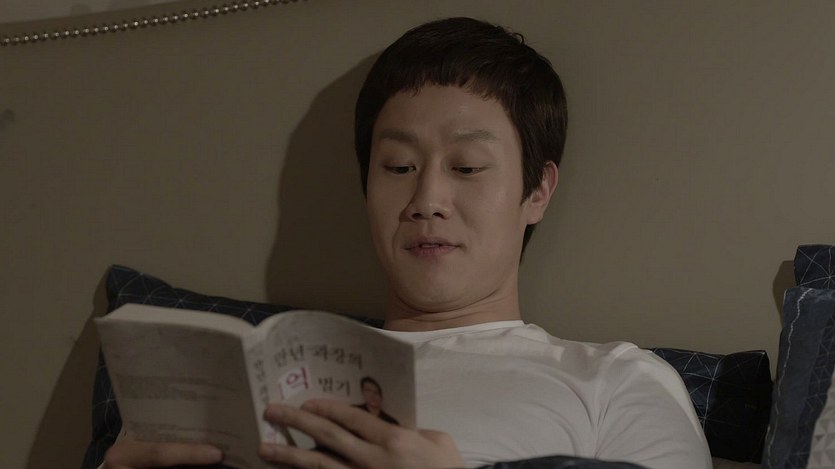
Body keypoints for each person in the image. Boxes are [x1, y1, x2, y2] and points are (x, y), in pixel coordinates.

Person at [101, 17, 712, 469]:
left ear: (537, 191)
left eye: (467, 167)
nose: (427, 199)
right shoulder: (239, 382)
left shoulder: (613, 381)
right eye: (398, 167)